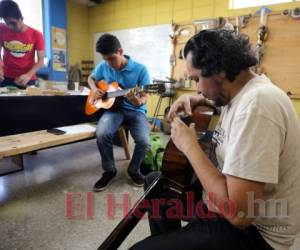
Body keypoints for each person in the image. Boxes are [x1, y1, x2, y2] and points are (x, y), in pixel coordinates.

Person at [130, 29, 300, 250]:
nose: (197, 88)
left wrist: (190, 146)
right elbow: (229, 105)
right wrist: (198, 98)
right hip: (231, 202)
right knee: (157, 183)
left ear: (219, 72)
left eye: (196, 80)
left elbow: (239, 215)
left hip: (255, 233)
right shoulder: (245, 90)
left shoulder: (257, 107)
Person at [88, 34, 150, 191]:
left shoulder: (141, 69)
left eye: (111, 58)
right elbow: (91, 78)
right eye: (105, 59)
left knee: (144, 142)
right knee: (102, 133)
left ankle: (133, 170)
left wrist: (137, 101)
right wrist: (95, 90)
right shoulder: (104, 66)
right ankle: (109, 170)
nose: (108, 63)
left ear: (120, 51)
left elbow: (145, 96)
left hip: (136, 111)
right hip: (113, 110)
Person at [0, 0, 45, 89]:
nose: (10, 27)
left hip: (27, 79)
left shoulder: (36, 35)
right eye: (7, 23)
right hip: (6, 77)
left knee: (26, 103)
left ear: (21, 18)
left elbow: (41, 60)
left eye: (13, 23)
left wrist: (28, 75)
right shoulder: (2, 29)